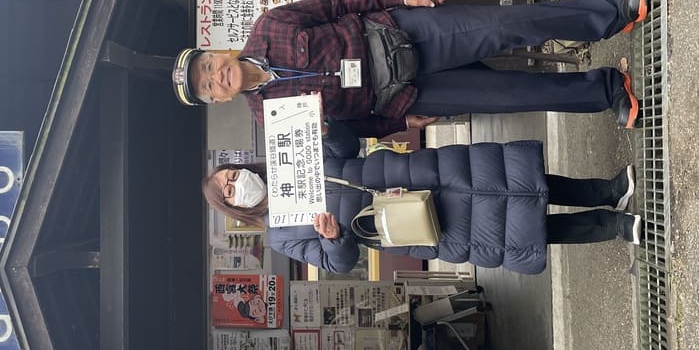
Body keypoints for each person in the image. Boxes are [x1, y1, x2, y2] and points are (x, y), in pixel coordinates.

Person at [172, 0, 649, 138]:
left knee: (508, 27)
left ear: (217, 52)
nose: (216, 78)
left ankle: (614, 13)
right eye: (209, 86)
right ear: (217, 100)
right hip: (403, 95)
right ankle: (607, 91)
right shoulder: (268, 118)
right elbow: (347, 129)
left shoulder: (270, 25)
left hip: (402, 34)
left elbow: (339, 4)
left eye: (209, 67)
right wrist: (399, 125)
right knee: (513, 95)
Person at [202, 121, 643, 274]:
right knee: (520, 231)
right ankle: (612, 226)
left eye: (232, 173)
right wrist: (334, 237)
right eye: (228, 189)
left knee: (518, 180)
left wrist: (327, 129)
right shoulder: (280, 237)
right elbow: (339, 263)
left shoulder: (285, 162)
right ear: (232, 207)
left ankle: (608, 190)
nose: (236, 182)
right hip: (408, 223)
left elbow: (345, 148)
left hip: (413, 172)